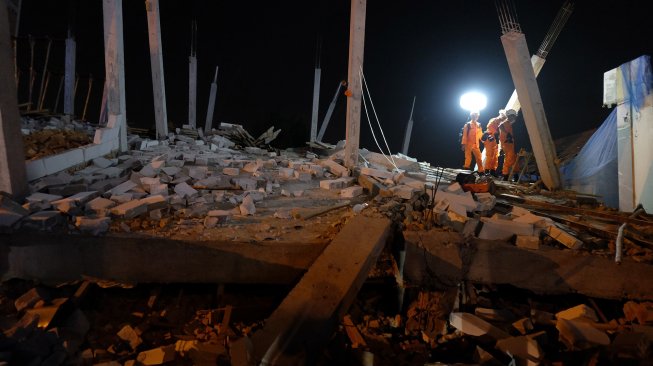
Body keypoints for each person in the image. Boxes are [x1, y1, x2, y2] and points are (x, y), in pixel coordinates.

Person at [482, 109, 505, 176]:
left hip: (495, 141)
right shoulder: (493, 120)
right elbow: (489, 127)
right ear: (501, 115)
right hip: (490, 140)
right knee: (490, 155)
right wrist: (496, 133)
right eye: (503, 118)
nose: (503, 119)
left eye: (504, 119)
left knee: (495, 156)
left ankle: (492, 170)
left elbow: (501, 134)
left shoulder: (501, 124)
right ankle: (486, 170)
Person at [498, 109, 519, 181]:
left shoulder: (510, 124)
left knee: (514, 159)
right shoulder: (505, 123)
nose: (514, 118)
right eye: (513, 116)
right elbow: (500, 126)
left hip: (511, 144)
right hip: (507, 144)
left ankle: (516, 175)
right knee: (508, 159)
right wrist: (507, 134)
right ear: (510, 116)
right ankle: (505, 175)